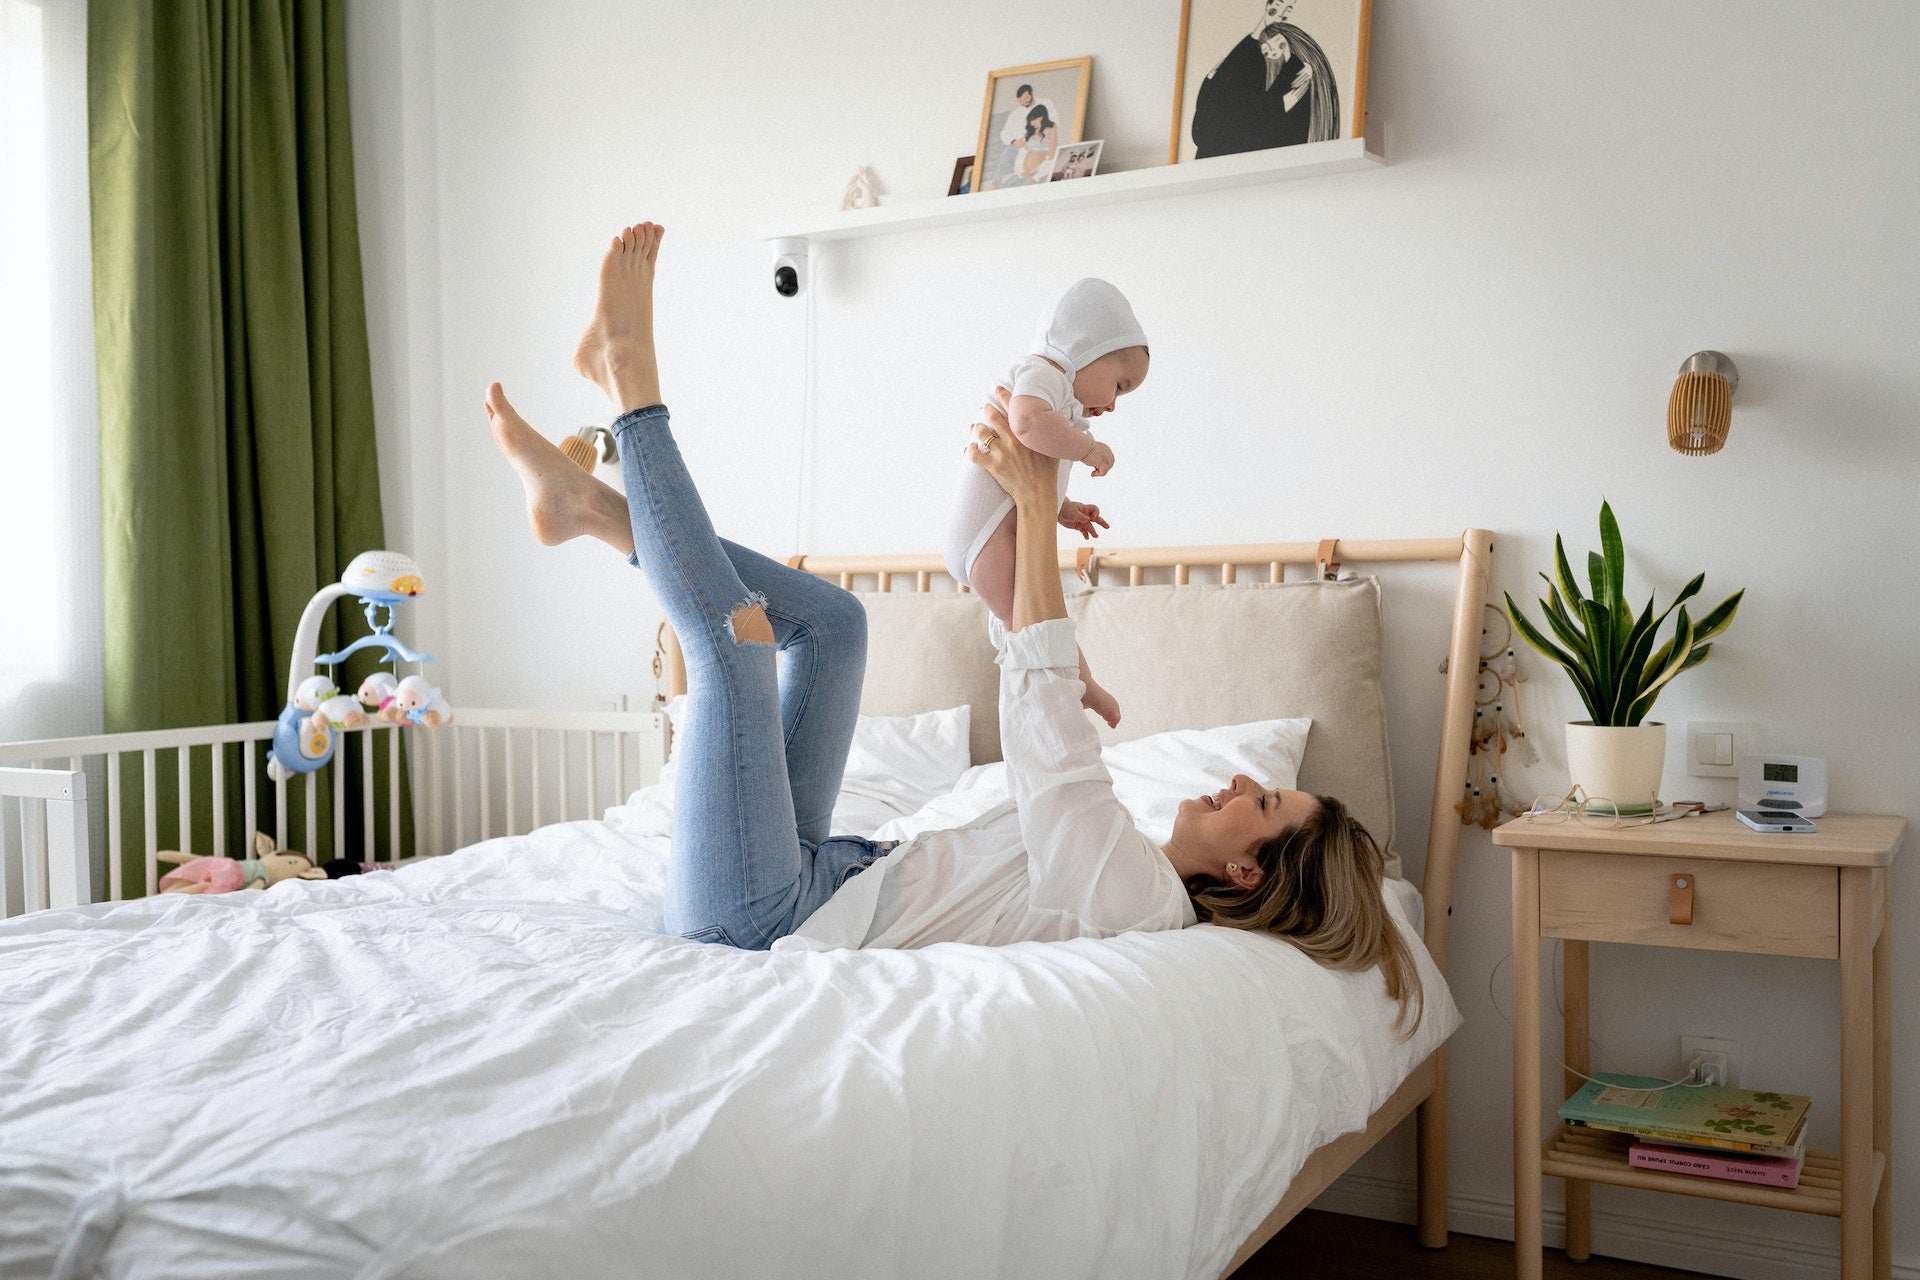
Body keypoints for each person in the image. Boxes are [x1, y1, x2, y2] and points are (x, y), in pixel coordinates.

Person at [485, 222, 1420, 1033]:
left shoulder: (1136, 897)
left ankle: (630, 386)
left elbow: (1049, 728)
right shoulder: (1126, 861)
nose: (1244, 781)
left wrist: (1031, 497)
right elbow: (1034, 679)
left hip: (760, 918)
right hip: (826, 877)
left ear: (1249, 875)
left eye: (1263, 803)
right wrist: (1028, 509)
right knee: (837, 624)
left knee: (739, 647)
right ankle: (592, 509)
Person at [942, 278, 1143, 727]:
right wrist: (1088, 449)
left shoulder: (1055, 397)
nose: (1113, 404)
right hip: (983, 541)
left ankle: (1077, 679)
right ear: (1087, 349)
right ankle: (1080, 681)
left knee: (1038, 621)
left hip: (992, 532)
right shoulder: (1042, 373)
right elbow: (1027, 424)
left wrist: (1065, 507)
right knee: (1038, 628)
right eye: (1119, 384)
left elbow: (1025, 475)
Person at [1191, 12, 1340, 158]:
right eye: (1266, 51)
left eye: (1280, 46)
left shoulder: (1298, 79)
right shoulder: (1262, 84)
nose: (1273, 53)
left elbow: (1263, 119)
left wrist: (1294, 62)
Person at [984, 83, 1054, 191]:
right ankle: (996, 183)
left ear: (1032, 94)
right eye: (1020, 101)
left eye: (1026, 98)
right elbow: (1005, 132)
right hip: (1020, 144)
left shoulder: (1045, 103)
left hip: (1039, 141)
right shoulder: (1015, 114)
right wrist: (1014, 141)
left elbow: (1053, 125)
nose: (1024, 102)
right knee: (1008, 152)